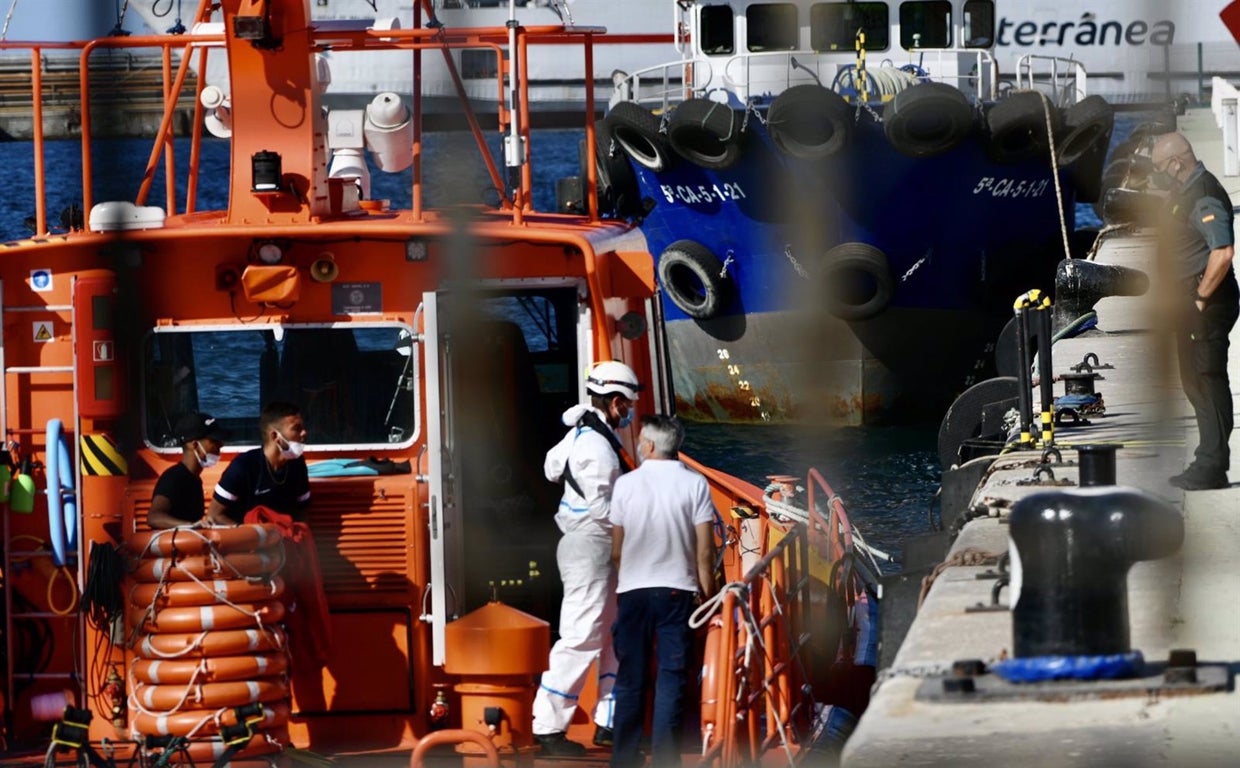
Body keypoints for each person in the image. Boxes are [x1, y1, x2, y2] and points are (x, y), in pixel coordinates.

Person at [533, 360, 641, 756]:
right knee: (580, 636)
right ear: (614, 401)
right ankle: (548, 725)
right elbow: (603, 509)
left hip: (591, 546)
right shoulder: (599, 448)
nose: (629, 411)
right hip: (594, 547)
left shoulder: (582, 432)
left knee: (613, 635)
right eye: (626, 404)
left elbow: (549, 469)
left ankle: (608, 721)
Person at [608, 415, 714, 768]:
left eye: (641, 441)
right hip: (676, 592)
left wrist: (627, 581)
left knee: (631, 676)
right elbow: (704, 550)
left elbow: (617, 550)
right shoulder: (695, 484)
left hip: (634, 592)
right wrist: (707, 593)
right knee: (671, 676)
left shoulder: (625, 485)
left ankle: (624, 757)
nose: (638, 445)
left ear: (650, 445)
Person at [1151, 132, 1238, 490]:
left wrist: (1199, 299)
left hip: (1205, 304)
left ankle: (1212, 467)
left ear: (1176, 163)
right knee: (1194, 381)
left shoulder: (1203, 195)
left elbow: (1223, 252)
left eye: (1159, 167)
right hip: (1189, 303)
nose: (1157, 173)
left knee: (1206, 379)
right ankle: (1206, 459)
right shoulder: (1185, 191)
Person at [207, 401, 311, 525]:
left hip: (282, 538)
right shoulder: (243, 466)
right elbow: (214, 516)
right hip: (247, 538)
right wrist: (252, 536)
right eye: (297, 428)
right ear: (275, 436)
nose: (304, 433)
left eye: (303, 428)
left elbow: (302, 511)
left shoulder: (297, 464)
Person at [147, 412, 227, 529]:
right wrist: (190, 526)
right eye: (213, 441)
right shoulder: (174, 478)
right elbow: (154, 517)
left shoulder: (194, 479)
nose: (220, 445)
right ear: (194, 444)